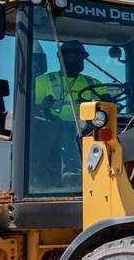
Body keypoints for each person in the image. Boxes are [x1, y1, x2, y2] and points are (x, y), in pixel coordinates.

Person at [33, 40, 107, 184]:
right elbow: (30, 110)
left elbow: (108, 106)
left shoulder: (94, 83)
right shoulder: (43, 81)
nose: (79, 60)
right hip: (51, 131)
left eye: (81, 57)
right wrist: (43, 106)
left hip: (87, 131)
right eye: (74, 57)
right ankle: (65, 176)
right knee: (65, 130)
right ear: (61, 58)